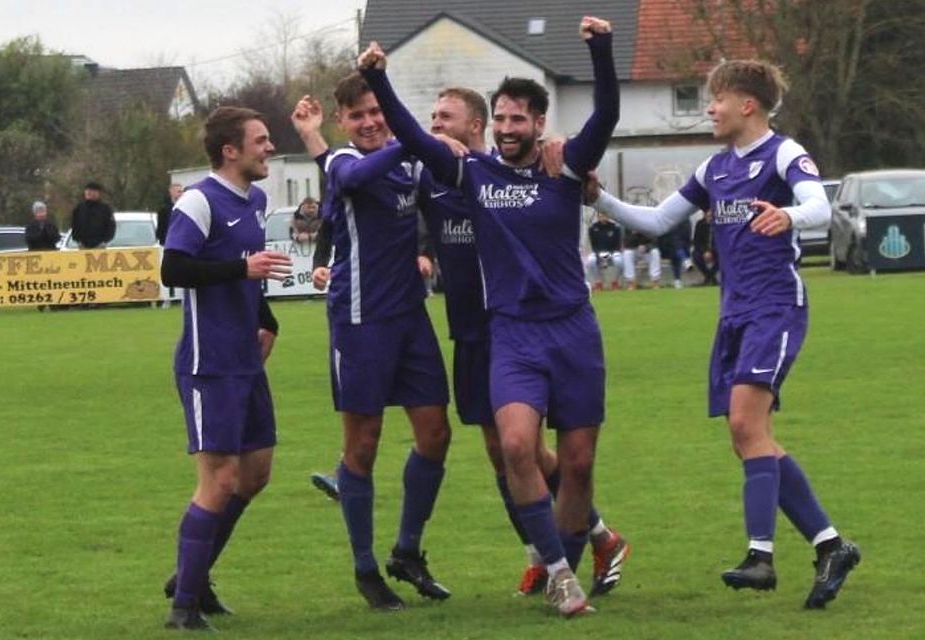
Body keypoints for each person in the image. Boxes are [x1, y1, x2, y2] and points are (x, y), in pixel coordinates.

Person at [293, 87, 630, 599]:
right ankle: (565, 549)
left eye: (442, 117)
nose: (431, 125)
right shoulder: (433, 174)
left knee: (525, 449)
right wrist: (315, 137)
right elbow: (352, 186)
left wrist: (580, 173)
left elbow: (561, 172)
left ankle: (570, 547)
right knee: (506, 451)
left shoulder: (507, 171)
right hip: (470, 330)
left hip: (518, 326)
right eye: (427, 117)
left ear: (477, 125)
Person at [357, 14, 618, 617]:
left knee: (577, 465)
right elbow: (411, 136)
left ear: (539, 125)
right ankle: (557, 572)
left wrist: (601, 51)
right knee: (518, 446)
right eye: (498, 119)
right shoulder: (472, 172)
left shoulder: (565, 167)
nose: (505, 129)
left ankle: (571, 563)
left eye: (516, 120)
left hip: (574, 331)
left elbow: (605, 114)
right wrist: (380, 78)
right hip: (513, 334)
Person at [585, 59, 860, 609]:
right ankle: (832, 545)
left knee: (744, 423)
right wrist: (598, 200)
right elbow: (660, 221)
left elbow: (819, 206)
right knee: (749, 438)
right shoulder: (714, 169)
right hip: (733, 314)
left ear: (747, 105)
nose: (708, 109)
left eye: (715, 100)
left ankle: (761, 556)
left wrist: (787, 216)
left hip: (775, 307)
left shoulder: (782, 153)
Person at [297, 72, 453, 612]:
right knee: (362, 444)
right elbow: (361, 178)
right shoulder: (342, 163)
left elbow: (449, 191)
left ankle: (407, 550)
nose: (368, 121)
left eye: (374, 111)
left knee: (436, 433)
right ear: (344, 122)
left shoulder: (411, 161)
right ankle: (366, 570)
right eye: (357, 115)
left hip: (411, 317)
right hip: (360, 320)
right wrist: (413, 139)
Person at [158, 106, 294, 631]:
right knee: (219, 479)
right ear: (230, 151)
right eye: (260, 141)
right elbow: (174, 267)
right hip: (207, 362)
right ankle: (184, 607)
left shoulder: (255, 200)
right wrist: (241, 268)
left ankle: (190, 576)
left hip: (245, 360)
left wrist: (266, 318)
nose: (268, 148)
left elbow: (251, 276)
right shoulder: (198, 200)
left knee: (255, 473)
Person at [70, 181, 115, 249]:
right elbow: (74, 226)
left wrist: (104, 241)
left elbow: (111, 227)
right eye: (87, 191)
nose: (88, 193)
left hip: (100, 246)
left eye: (91, 191)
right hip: (82, 246)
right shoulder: (79, 208)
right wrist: (78, 241)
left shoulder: (105, 209)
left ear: (97, 193)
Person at [586, 212, 624, 290]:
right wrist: (600, 255)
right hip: (598, 252)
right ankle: (598, 282)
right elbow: (594, 245)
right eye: (601, 216)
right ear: (598, 217)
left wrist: (606, 256)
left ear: (608, 216)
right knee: (591, 261)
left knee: (619, 261)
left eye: (605, 216)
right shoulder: (593, 228)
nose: (603, 218)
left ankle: (615, 281)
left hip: (613, 252)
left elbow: (617, 245)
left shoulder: (615, 228)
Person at [692, 211, 719, 285]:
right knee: (695, 256)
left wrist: (712, 251)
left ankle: (710, 276)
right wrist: (705, 251)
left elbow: (720, 240)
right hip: (703, 250)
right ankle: (709, 276)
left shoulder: (718, 224)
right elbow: (697, 241)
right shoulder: (700, 224)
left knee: (722, 256)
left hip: (716, 249)